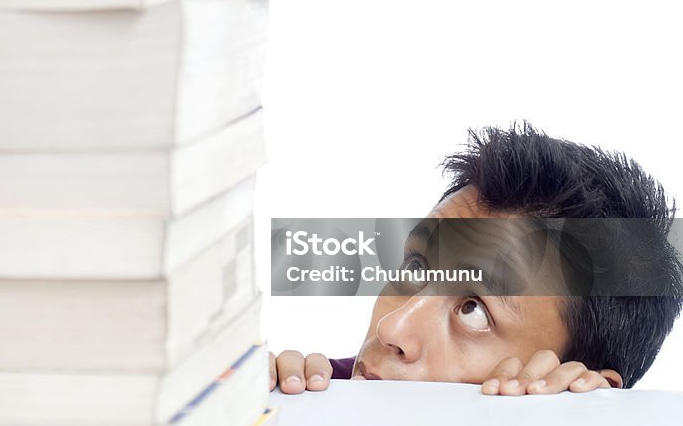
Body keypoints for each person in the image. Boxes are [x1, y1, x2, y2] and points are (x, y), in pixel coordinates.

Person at [269, 124, 683, 396]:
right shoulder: (311, 394)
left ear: (571, 382)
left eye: (472, 310)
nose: (391, 327)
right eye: (415, 269)